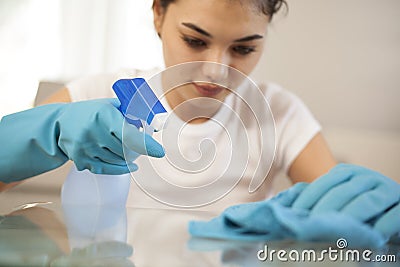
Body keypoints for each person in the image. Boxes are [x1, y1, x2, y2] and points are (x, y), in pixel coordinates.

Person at [0, 0, 398, 214]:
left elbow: (348, 213)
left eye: (244, 48)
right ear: (158, 14)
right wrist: (46, 132)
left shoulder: (279, 111)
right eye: (194, 40)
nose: (216, 70)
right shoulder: (97, 92)